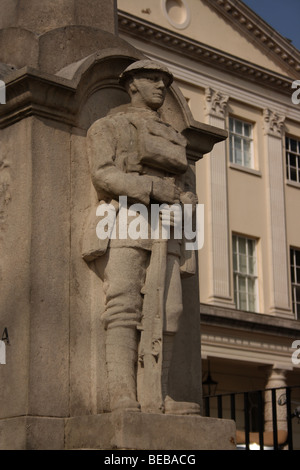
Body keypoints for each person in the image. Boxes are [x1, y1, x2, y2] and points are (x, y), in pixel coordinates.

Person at [83, 60, 200, 414]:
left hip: (169, 227)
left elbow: (187, 187)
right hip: (127, 220)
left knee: (171, 310)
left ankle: (158, 395)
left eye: (165, 81)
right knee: (123, 304)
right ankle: (122, 393)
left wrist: (187, 202)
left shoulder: (175, 139)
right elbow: (104, 175)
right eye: (153, 79)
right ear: (132, 84)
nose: (161, 87)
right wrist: (151, 187)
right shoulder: (109, 126)